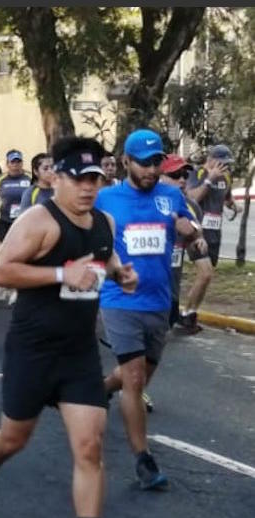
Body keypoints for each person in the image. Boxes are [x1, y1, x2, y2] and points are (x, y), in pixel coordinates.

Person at [0, 136, 137, 518]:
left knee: (90, 446)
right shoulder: (39, 220)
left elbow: (103, 253)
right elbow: (0, 268)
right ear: (57, 177)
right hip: (33, 351)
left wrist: (120, 271)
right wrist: (62, 273)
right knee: (12, 439)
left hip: (78, 353)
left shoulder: (105, 221)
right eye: (79, 179)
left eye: (95, 179)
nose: (88, 188)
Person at [98, 129, 202, 491]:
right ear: (126, 161)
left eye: (157, 162)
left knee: (136, 375)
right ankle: (143, 460)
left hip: (160, 300)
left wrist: (189, 231)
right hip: (119, 299)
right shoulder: (106, 198)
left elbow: (192, 232)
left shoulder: (171, 196)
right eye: (144, 163)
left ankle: (101, 389)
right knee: (136, 380)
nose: (151, 170)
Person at [181, 143, 235, 332]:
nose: (225, 167)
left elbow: (226, 196)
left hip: (215, 234)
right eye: (221, 163)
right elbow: (192, 198)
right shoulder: (198, 174)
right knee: (205, 274)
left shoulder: (227, 176)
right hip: (197, 232)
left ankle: (191, 312)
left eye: (227, 164)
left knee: (207, 276)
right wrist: (209, 179)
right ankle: (187, 314)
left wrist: (232, 205)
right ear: (211, 160)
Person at [158, 154, 206, 328]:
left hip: (171, 294)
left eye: (185, 175)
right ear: (159, 176)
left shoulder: (189, 206)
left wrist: (197, 239)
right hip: (143, 294)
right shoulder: (143, 204)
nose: (182, 180)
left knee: (158, 349)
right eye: (175, 175)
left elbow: (195, 230)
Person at [0, 149, 32, 243]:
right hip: (4, 221)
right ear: (7, 164)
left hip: (25, 220)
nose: (15, 164)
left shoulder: (30, 178)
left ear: (22, 163)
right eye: (13, 161)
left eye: (18, 161)